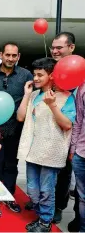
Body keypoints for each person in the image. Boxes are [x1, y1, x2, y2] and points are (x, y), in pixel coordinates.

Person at [17, 57, 75, 232]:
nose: (35, 78)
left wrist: (52, 106)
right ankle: (40, 214)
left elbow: (67, 125)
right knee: (33, 190)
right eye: (34, 74)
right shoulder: (34, 94)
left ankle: (45, 222)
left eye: (40, 75)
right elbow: (20, 117)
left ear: (52, 75)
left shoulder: (66, 96)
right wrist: (27, 95)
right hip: (32, 150)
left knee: (47, 190)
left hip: (51, 150)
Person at [0, 42, 33, 213]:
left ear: (18, 57)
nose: (10, 58)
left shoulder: (26, 75)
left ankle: (9, 197)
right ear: (1, 54)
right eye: (8, 55)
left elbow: (31, 100)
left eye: (14, 55)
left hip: (16, 128)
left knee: (11, 165)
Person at [50, 32, 78, 227]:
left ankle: (59, 206)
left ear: (71, 48)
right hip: (52, 128)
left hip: (73, 130)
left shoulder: (79, 70)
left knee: (64, 172)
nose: (55, 51)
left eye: (59, 47)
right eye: (53, 47)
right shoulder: (51, 68)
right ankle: (45, 203)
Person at [71, 82, 85, 233]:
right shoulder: (83, 88)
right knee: (82, 198)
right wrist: (73, 148)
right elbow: (78, 120)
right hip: (81, 152)